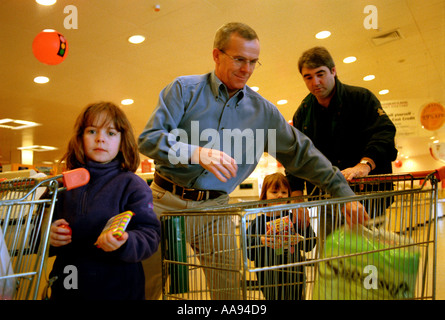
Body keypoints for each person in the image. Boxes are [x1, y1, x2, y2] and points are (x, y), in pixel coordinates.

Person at [138, 22, 367, 300]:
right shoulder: (184, 90)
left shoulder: (263, 113)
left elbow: (303, 154)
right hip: (164, 203)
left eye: (253, 62)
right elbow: (149, 139)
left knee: (231, 293)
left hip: (216, 211)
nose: (246, 69)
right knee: (146, 286)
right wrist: (194, 152)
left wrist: (344, 193)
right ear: (216, 55)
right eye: (239, 59)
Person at [48, 102, 161, 300]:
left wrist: (126, 241)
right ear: (80, 137)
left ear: (121, 141)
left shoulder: (131, 185)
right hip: (68, 283)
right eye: (92, 131)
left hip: (119, 287)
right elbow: (33, 230)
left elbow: (150, 234)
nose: (100, 139)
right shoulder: (60, 185)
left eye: (111, 133)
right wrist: (47, 234)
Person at [286, 46, 398, 237]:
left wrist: (365, 164)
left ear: (333, 71)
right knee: (331, 257)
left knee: (366, 255)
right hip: (328, 198)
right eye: (308, 77)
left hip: (368, 194)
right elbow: (295, 155)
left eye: (320, 74)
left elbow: (384, 132)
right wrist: (297, 198)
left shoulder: (361, 99)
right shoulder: (303, 113)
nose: (316, 82)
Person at [246, 173, 316, 300]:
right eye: (274, 191)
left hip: (294, 276)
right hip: (267, 277)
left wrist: (304, 228)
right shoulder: (257, 223)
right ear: (264, 196)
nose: (280, 195)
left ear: (289, 196)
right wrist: (260, 240)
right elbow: (248, 252)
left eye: (284, 192)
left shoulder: (294, 219)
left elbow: (309, 245)